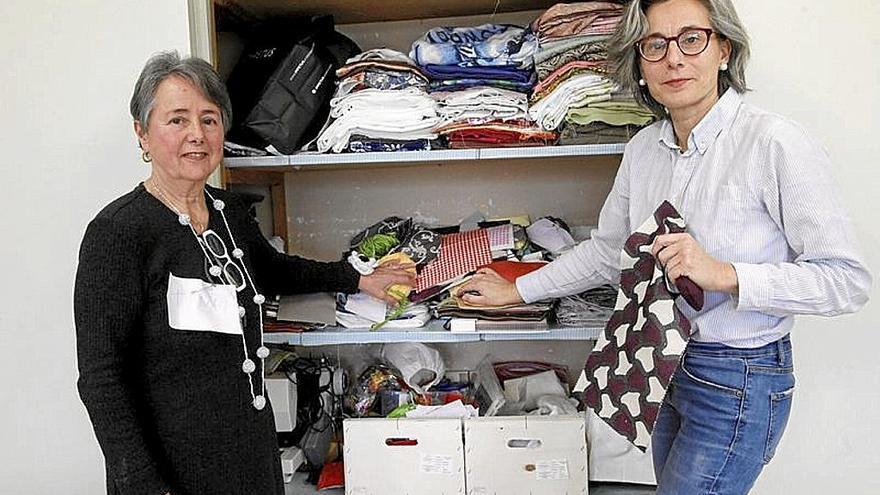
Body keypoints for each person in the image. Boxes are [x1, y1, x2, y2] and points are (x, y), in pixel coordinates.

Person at [458, 0, 871, 493]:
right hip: (660, 363)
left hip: (738, 377)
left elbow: (846, 281)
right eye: (655, 45)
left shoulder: (774, 143)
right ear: (640, 63)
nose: (673, 58)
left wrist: (727, 274)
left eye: (691, 38)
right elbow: (610, 251)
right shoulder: (643, 150)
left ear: (724, 48)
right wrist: (518, 290)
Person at [74, 51, 414, 495]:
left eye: (209, 119)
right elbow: (101, 377)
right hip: (170, 468)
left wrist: (357, 279)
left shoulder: (227, 212)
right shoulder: (119, 232)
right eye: (177, 120)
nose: (196, 135)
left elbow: (274, 270)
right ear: (142, 132)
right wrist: (141, 482)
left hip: (248, 449)